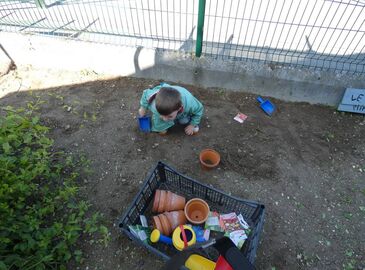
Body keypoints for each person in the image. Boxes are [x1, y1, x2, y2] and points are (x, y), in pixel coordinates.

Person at [138, 83, 204, 135]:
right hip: (165, 90)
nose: (164, 119)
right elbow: (146, 93)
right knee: (161, 126)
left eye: (169, 116)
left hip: (184, 109)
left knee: (184, 121)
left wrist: (192, 125)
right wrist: (143, 108)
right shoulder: (154, 101)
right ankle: (164, 116)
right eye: (161, 114)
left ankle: (185, 118)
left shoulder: (190, 104)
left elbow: (199, 110)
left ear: (179, 108)